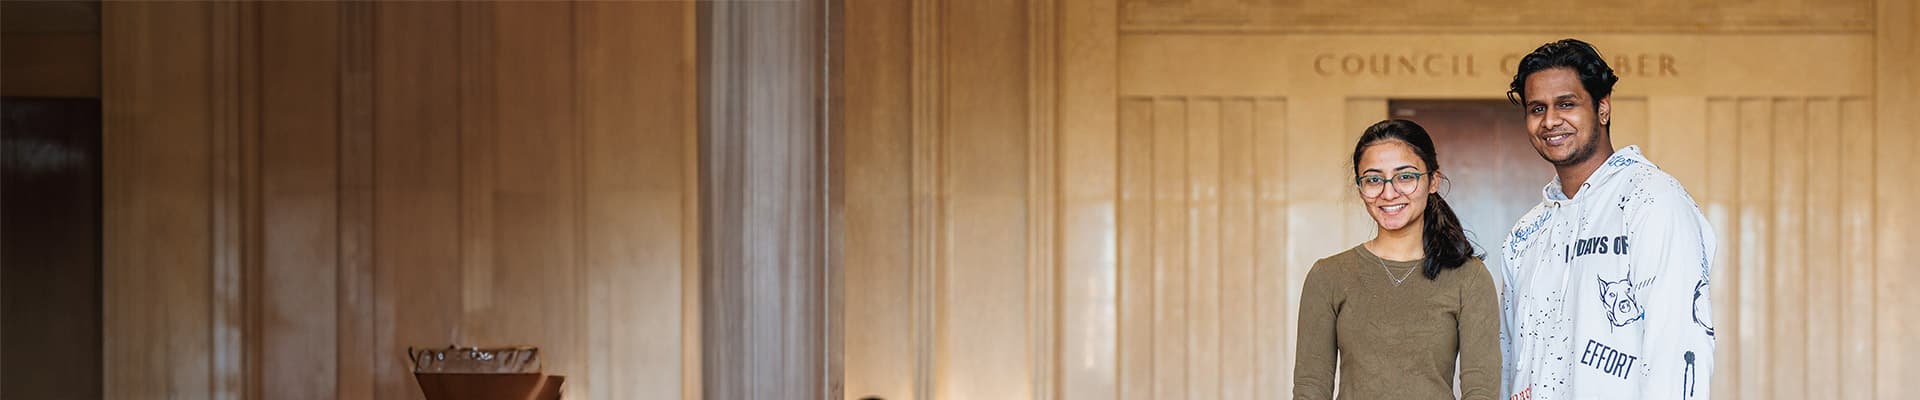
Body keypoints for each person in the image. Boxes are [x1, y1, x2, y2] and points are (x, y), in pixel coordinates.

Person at [1498, 39, 1717, 400]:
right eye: (1537, 108)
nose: (1550, 120)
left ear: (1602, 108)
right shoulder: (1526, 234)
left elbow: (1677, 347)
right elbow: (1510, 360)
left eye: (1566, 104)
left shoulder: (1652, 201)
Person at [1294, 119, 1501, 400]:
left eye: (1405, 176)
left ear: (1433, 181)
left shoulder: (1469, 277)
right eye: (1373, 179)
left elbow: (1482, 392)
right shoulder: (1328, 276)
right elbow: (1310, 389)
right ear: (1360, 188)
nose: (1388, 192)